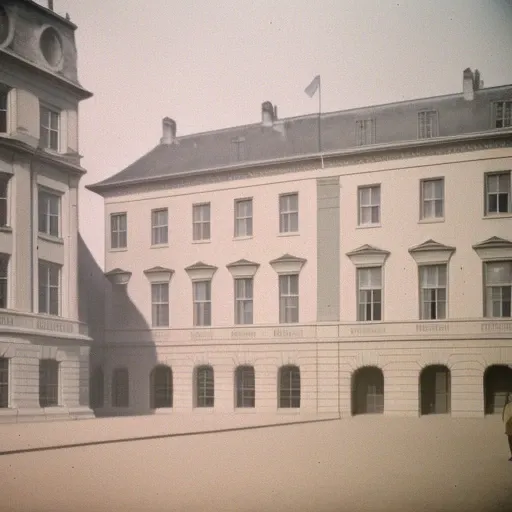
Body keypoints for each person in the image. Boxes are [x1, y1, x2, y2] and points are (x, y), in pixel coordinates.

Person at [503, 393, 512, 461]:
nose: (510, 397)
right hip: (508, 425)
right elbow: (505, 415)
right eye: (509, 396)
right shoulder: (507, 405)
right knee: (510, 441)